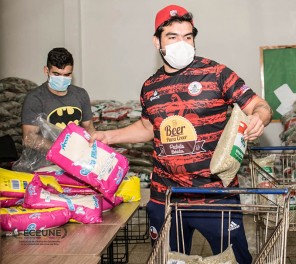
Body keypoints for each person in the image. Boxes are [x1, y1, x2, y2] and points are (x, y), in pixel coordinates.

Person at [90, 5, 272, 263]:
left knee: (237, 259)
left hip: (214, 197)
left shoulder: (216, 74)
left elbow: (259, 105)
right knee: (169, 259)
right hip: (165, 197)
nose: (182, 43)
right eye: (172, 37)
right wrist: (107, 137)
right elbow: (147, 127)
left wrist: (258, 118)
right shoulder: (150, 86)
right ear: (157, 42)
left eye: (188, 37)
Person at [21, 47, 95, 149]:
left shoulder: (81, 94)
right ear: (46, 71)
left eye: (67, 75)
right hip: (46, 159)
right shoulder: (35, 98)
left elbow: (88, 126)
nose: (62, 79)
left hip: (76, 155)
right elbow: (29, 138)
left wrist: (90, 144)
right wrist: (61, 149)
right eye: (57, 74)